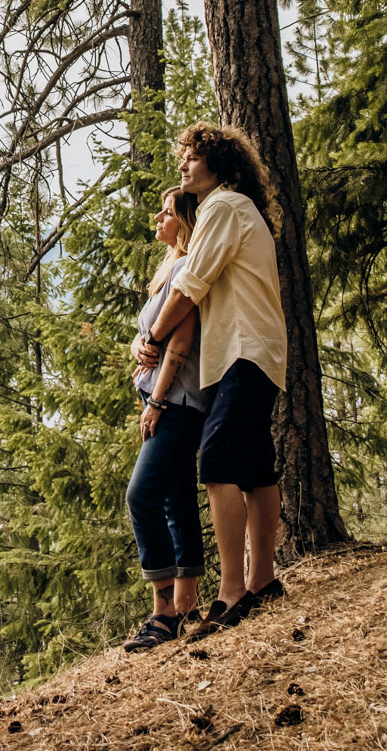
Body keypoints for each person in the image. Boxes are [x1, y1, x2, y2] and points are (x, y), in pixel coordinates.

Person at [135, 122, 288, 637]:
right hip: (252, 350)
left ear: (219, 165)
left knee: (218, 459)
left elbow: (188, 288)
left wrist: (152, 340)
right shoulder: (236, 208)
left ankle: (232, 592)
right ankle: (263, 580)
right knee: (256, 464)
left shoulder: (222, 208)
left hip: (244, 350)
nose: (183, 165)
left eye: (192, 158)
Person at [121, 185, 207, 652]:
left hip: (176, 402)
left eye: (167, 211)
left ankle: (163, 612)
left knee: (143, 496)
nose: (158, 216)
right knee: (176, 500)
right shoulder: (170, 268)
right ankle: (187, 604)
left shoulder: (187, 268)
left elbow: (181, 339)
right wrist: (137, 344)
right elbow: (152, 339)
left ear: (186, 222)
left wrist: (156, 401)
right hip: (169, 399)